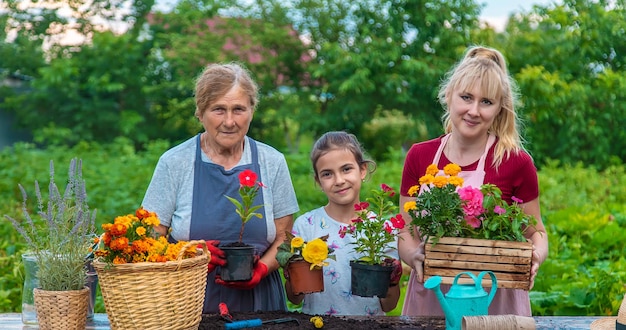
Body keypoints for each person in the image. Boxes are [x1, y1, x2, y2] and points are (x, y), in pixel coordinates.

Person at [397, 46, 549, 316]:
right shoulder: (419, 156)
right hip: (432, 292)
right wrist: (413, 256)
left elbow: (536, 232)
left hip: (494, 298)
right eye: (466, 97)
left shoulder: (515, 161)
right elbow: (406, 231)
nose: (474, 110)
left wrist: (535, 256)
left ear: (499, 109)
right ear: (448, 95)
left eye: (486, 102)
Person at [141, 62, 299, 313]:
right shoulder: (175, 163)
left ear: (251, 111)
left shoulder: (272, 162)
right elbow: (150, 237)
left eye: (238, 109)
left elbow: (285, 237)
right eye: (218, 109)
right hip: (187, 303)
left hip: (261, 303)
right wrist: (187, 253)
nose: (229, 121)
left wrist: (261, 269)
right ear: (200, 112)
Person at [284, 131, 403, 316]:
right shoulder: (306, 226)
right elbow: (295, 299)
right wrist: (291, 274)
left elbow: (389, 305)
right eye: (327, 174)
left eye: (346, 169)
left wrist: (393, 280)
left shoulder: (382, 229)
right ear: (318, 181)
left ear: (362, 170)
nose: (339, 180)